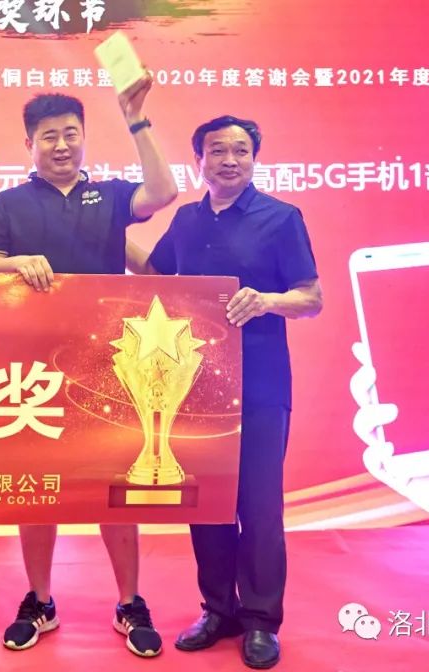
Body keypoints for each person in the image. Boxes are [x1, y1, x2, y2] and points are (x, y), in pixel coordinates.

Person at [0, 79, 178, 657]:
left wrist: (137, 119)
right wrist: (17, 263)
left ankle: (129, 602)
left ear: (84, 137)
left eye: (70, 134)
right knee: (37, 488)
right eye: (48, 136)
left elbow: (163, 191)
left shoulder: (109, 196)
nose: (61, 145)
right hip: (31, 368)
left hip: (109, 365)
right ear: (29, 144)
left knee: (117, 486)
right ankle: (40, 600)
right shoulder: (7, 204)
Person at [126, 115, 323, 669]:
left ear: (254, 159)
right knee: (208, 504)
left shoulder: (281, 218)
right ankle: (218, 610)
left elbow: (311, 297)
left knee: (258, 507)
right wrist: (103, 233)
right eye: (217, 151)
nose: (229, 160)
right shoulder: (187, 220)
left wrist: (266, 301)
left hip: (260, 384)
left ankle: (261, 620)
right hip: (194, 384)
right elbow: (157, 274)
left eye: (240, 150)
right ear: (200, 161)